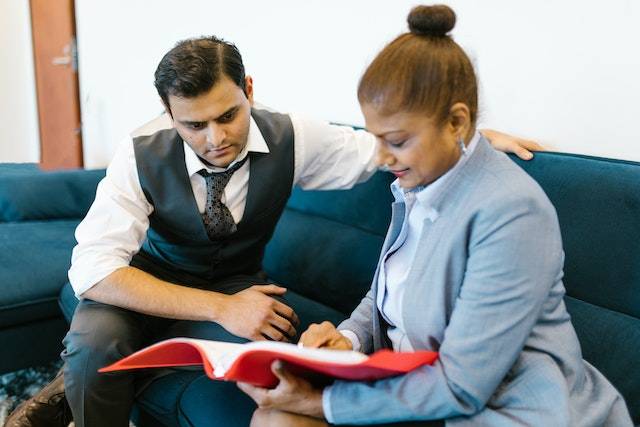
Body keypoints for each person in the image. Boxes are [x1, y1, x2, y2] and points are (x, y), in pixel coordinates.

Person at [7, 33, 539, 427]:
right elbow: (94, 271)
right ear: (169, 116)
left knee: (275, 358)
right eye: (194, 125)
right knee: (95, 344)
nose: (216, 138)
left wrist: (458, 136)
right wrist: (219, 308)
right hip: (142, 281)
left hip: (239, 285)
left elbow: (376, 150)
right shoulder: (138, 153)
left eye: (228, 115)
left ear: (249, 91)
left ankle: (81, 386)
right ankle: (82, 389)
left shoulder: (293, 136)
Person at [237, 5, 633, 427]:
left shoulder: (512, 213)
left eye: (398, 141)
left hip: (506, 412)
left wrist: (320, 404)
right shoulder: (418, 184)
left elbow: (463, 385)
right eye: (375, 139)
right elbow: (387, 295)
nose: (383, 157)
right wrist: (346, 338)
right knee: (274, 414)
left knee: (283, 416)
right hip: (422, 387)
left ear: (457, 123)